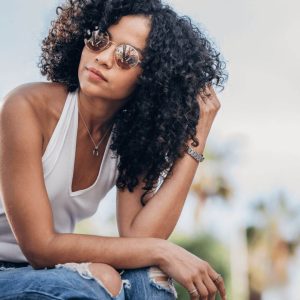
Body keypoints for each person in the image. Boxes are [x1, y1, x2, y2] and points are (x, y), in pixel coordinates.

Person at [0, 0, 228, 299]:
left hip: (45, 272)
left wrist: (196, 139)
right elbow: (40, 247)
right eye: (99, 40)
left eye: (126, 56)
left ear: (152, 78)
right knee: (98, 281)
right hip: (21, 270)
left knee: (150, 276)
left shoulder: (131, 138)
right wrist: (163, 250)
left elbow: (140, 237)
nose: (104, 58)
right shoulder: (27, 107)